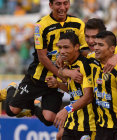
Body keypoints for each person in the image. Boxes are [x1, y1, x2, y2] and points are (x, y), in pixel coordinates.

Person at [1, 0, 88, 129]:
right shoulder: (41, 25)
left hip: (57, 80)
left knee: (49, 120)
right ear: (50, 5)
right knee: (12, 110)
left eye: (65, 3)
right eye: (58, 4)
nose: (62, 7)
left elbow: (84, 51)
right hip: (38, 76)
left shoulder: (78, 24)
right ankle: (11, 89)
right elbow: (42, 57)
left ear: (69, 4)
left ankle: (35, 105)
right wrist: (62, 73)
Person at [47, 32, 95, 140]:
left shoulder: (85, 65)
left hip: (88, 126)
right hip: (72, 124)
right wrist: (58, 84)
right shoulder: (67, 65)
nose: (62, 51)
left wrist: (66, 110)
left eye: (66, 47)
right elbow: (75, 91)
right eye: (60, 47)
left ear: (77, 47)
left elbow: (88, 96)